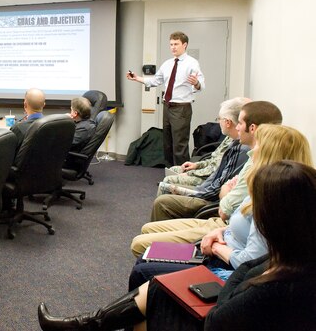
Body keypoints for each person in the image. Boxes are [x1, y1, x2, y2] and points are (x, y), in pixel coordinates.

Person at [38, 159, 316, 331]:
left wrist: (235, 274)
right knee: (157, 287)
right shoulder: (295, 257)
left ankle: (86, 324)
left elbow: (217, 319)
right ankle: (87, 324)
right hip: (229, 287)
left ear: (276, 220)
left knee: (155, 294)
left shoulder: (279, 284)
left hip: (216, 317)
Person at [128, 124, 313, 289]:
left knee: (142, 267)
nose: (251, 152)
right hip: (222, 240)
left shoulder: (271, 199)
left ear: (269, 154)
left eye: (257, 146)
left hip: (225, 264)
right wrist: (221, 232)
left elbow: (250, 260)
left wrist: (216, 246)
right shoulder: (265, 185)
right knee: (144, 262)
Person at [147, 100, 282, 227]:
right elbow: (217, 169)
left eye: (240, 123)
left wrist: (196, 190)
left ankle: (161, 243)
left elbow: (222, 198)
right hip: (211, 193)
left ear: (252, 128)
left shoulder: (245, 151)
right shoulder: (242, 147)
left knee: (163, 200)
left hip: (211, 202)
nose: (238, 127)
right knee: (166, 193)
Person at [152, 98, 250, 216]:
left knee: (164, 191)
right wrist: (197, 166)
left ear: (228, 122)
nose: (218, 122)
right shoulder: (233, 141)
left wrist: (193, 185)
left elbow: (216, 182)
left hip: (207, 195)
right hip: (207, 187)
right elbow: (215, 165)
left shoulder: (241, 148)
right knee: (170, 178)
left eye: (219, 119)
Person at [127, 32, 205, 167]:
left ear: (184, 45)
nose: (173, 47)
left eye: (176, 44)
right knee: (167, 143)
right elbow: (156, 81)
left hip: (181, 108)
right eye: (171, 44)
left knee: (179, 145)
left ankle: (181, 177)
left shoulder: (192, 63)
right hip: (167, 106)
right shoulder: (167, 64)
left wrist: (196, 83)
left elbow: (201, 85)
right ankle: (169, 174)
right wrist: (137, 78)